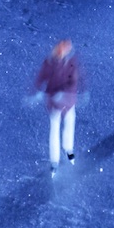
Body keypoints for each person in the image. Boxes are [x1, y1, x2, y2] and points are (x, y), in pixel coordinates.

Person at [33, 40, 84, 170]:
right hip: (54, 103)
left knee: (69, 125)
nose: (61, 55)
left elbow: (74, 81)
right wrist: (36, 91)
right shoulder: (49, 62)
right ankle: (54, 160)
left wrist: (64, 93)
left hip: (68, 102)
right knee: (54, 130)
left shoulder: (71, 62)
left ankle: (68, 148)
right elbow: (40, 77)